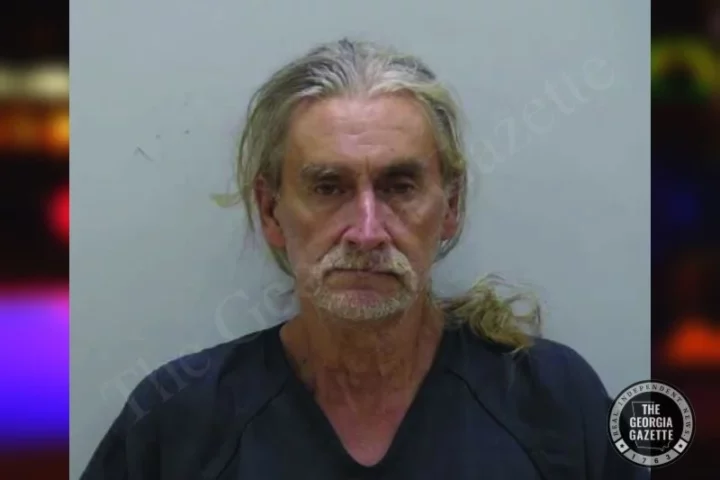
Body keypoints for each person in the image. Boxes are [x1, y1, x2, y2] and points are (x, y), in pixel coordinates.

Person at [80, 38, 648, 479]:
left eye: (400, 187)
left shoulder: (552, 400)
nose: (368, 232)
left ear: (451, 207)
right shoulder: (178, 422)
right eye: (328, 187)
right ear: (271, 211)